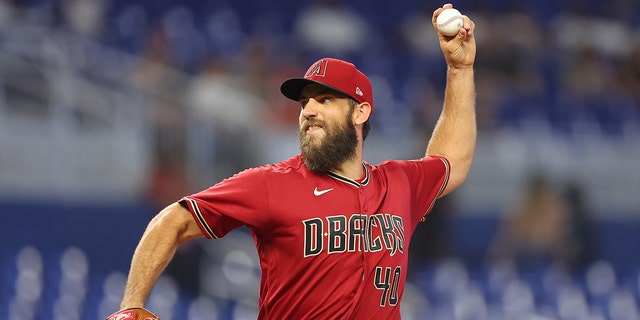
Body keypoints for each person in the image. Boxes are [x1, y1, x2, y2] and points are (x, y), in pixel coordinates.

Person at [107, 4, 476, 319]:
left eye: (325, 100)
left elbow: (451, 160)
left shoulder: (397, 183)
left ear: (361, 112)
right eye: (304, 103)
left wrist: (459, 71)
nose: (309, 110)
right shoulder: (271, 184)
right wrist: (131, 304)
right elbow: (174, 220)